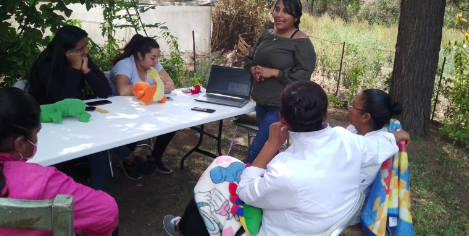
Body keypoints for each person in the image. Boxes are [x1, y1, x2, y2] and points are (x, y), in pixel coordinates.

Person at [162, 81, 409, 236]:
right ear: (325, 115)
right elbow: (381, 141)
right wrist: (398, 134)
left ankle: (182, 227)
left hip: (276, 229)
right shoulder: (349, 140)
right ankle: (181, 226)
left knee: (213, 183)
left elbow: (247, 192)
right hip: (322, 220)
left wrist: (271, 145)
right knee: (222, 171)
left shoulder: (285, 171)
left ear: (282, 119)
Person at [26, 25, 157, 190]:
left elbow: (104, 91)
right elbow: (65, 100)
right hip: (51, 120)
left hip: (76, 116)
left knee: (99, 138)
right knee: (98, 139)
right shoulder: (46, 65)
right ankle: (126, 161)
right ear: (66, 51)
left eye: (86, 46)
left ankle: (100, 188)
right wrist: (74, 69)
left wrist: (86, 71)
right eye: (80, 48)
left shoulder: (83, 59)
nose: (86, 51)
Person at [0, 88, 119, 236]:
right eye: (36, 133)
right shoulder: (39, 181)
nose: (36, 140)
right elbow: (107, 212)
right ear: (19, 143)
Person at [243, 0, 316, 163]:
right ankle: (272, 184)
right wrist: (253, 68)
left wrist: (275, 72)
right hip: (262, 102)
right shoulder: (267, 35)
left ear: (296, 17)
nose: (279, 15)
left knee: (258, 150)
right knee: (271, 151)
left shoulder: (301, 41)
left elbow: (304, 75)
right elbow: (250, 59)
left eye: (286, 12)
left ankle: (243, 186)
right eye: (277, 9)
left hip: (282, 106)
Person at [109, 34, 176, 174]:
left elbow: (170, 83)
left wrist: (166, 86)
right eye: (153, 58)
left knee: (172, 121)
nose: (156, 61)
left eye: (157, 58)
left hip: (145, 107)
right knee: (138, 124)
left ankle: (155, 158)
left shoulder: (154, 65)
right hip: (122, 112)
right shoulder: (125, 65)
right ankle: (129, 159)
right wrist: (152, 88)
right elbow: (122, 90)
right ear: (140, 55)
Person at [346, 89, 403, 225]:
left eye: (353, 106)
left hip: (345, 211)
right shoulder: (354, 130)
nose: (349, 108)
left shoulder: (377, 146)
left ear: (365, 117)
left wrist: (394, 136)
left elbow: (363, 147)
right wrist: (396, 135)